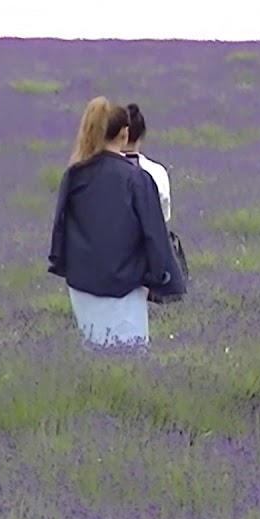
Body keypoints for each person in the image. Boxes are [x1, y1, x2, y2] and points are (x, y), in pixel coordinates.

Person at [47, 97, 184, 348]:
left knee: (92, 353)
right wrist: (161, 279)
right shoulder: (136, 179)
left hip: (82, 283)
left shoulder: (75, 174)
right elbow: (154, 234)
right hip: (125, 284)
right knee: (129, 359)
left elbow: (61, 228)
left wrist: (64, 265)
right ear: (124, 133)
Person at [119, 103, 183, 303]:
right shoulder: (156, 171)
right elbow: (164, 217)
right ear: (141, 135)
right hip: (148, 254)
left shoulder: (101, 171)